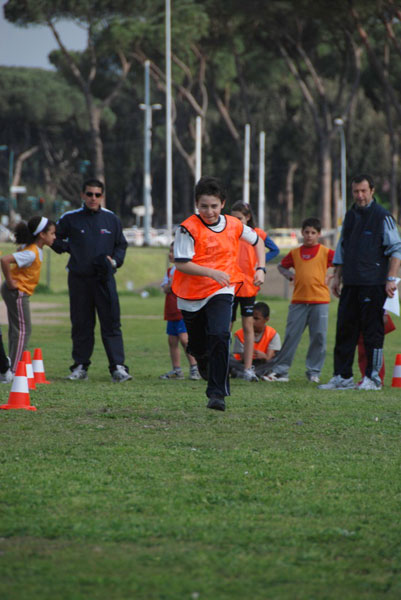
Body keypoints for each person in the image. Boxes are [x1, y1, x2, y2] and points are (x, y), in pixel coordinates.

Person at [172, 176, 266, 411]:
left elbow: (258, 241)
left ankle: (217, 394)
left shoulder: (234, 224)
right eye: (204, 206)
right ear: (196, 204)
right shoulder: (188, 228)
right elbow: (182, 264)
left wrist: (261, 268)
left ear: (222, 203)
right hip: (190, 295)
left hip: (222, 289)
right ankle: (202, 361)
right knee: (199, 346)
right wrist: (211, 272)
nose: (209, 211)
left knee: (220, 334)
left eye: (214, 206)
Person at [319, 174, 401, 391]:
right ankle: (342, 376)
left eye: (364, 191)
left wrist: (391, 279)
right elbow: (342, 248)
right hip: (351, 283)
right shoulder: (350, 216)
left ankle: (373, 379)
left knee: (373, 332)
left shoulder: (383, 217)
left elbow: (396, 249)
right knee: (345, 330)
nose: (360, 195)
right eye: (356, 191)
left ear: (372, 191)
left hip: (373, 283)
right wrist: (337, 277)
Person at [52, 178, 132, 383]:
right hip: (79, 279)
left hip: (104, 279)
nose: (93, 198)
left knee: (111, 323)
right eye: (89, 194)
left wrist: (114, 262)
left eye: (97, 195)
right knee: (81, 323)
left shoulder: (111, 219)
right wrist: (71, 249)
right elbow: (54, 238)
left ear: (102, 196)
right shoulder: (70, 218)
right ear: (82, 195)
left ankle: (118, 368)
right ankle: (80, 367)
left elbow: (121, 245)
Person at [264, 217, 334, 383]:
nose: (309, 236)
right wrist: (290, 275)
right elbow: (281, 266)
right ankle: (281, 371)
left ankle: (314, 372)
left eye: (313, 233)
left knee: (319, 337)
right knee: (291, 336)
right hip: (298, 302)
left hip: (320, 301)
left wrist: (334, 276)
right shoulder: (295, 253)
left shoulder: (326, 252)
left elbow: (341, 263)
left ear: (319, 234)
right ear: (302, 233)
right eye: (307, 232)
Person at [230, 201, 279, 381]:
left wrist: (259, 263)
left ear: (248, 217)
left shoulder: (256, 234)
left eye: (240, 218)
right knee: (225, 326)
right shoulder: (230, 233)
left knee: (247, 326)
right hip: (230, 285)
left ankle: (248, 368)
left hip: (249, 286)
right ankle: (222, 363)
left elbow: (275, 249)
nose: (236, 222)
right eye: (233, 218)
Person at [0, 216, 56, 373]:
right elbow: (4, 260)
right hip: (18, 292)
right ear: (42, 235)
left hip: (17, 292)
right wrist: (10, 282)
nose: (54, 237)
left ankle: (9, 365)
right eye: (52, 233)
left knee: (16, 329)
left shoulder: (33, 249)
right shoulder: (31, 252)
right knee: (24, 330)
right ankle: (14, 369)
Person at [159, 242, 200, 380]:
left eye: (173, 251)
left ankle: (195, 368)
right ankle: (176, 370)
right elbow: (165, 288)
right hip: (171, 310)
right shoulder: (170, 271)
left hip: (182, 310)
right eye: (170, 251)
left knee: (184, 339)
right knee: (172, 340)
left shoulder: (185, 270)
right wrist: (168, 287)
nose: (170, 254)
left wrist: (173, 286)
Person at [230, 301, 281, 378]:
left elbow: (268, 358)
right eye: (251, 318)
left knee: (278, 359)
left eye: (256, 318)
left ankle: (247, 373)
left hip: (262, 364)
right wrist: (249, 356)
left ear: (266, 319)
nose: (252, 321)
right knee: (228, 359)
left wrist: (264, 356)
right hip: (243, 364)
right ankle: (254, 373)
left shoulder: (272, 334)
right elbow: (241, 357)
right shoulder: (240, 333)